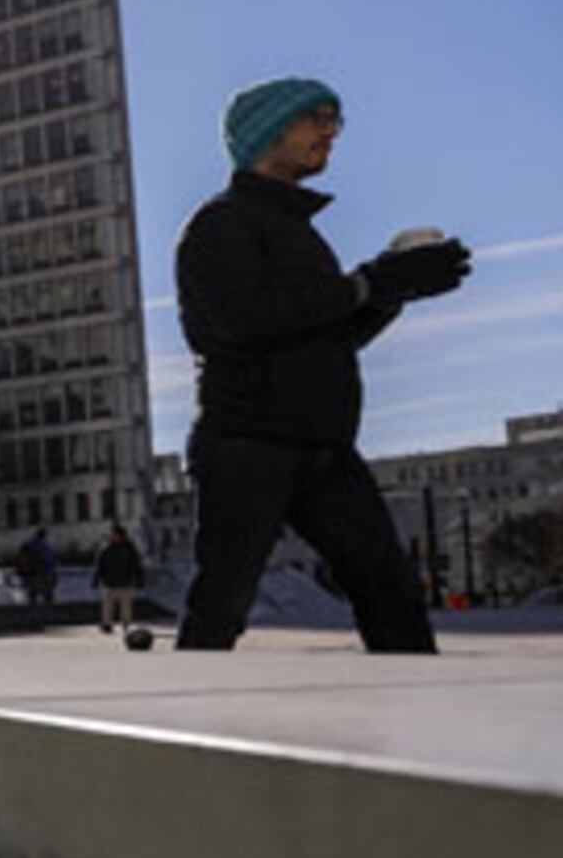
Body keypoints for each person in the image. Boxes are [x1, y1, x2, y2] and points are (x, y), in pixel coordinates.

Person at [173, 77, 472, 652]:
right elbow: (243, 321)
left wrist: (393, 286)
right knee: (221, 606)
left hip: (324, 448)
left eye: (336, 119)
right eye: (317, 117)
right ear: (268, 132)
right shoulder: (220, 223)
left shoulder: (300, 236)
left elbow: (326, 336)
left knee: (392, 593)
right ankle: (174, 732)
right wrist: (366, 283)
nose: (331, 131)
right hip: (247, 445)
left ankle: (411, 725)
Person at [93, 524, 145, 632]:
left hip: (124, 581)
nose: (114, 536)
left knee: (125, 606)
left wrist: (139, 579)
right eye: (113, 535)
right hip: (109, 582)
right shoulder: (107, 548)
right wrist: (96, 579)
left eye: (115, 535)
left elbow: (136, 565)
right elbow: (100, 565)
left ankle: (125, 623)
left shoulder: (129, 548)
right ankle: (107, 623)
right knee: (107, 605)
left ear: (121, 535)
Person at [15, 529, 57, 606]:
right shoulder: (44, 545)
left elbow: (21, 556)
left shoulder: (28, 544)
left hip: (31, 571)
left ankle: (33, 604)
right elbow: (48, 559)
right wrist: (52, 571)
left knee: (33, 591)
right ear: (43, 536)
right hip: (41, 571)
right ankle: (48, 605)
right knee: (46, 591)